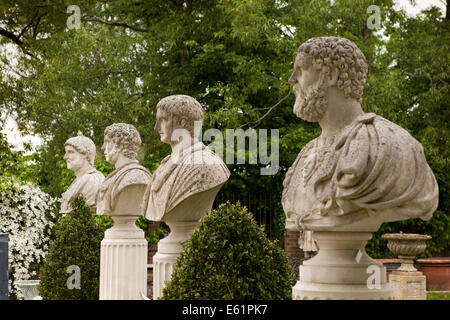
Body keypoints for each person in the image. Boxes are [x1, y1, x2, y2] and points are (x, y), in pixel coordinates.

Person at [282, 36, 439, 233]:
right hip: (322, 259)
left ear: (330, 75)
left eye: (301, 70)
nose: (292, 80)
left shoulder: (390, 143)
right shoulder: (306, 153)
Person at [142, 94, 230, 221]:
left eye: (163, 120)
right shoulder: (166, 163)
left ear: (182, 122)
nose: (156, 127)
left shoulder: (206, 163)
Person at [96, 123, 152, 215]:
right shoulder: (118, 175)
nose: (103, 147)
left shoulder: (137, 176)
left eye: (107, 142)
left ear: (120, 145)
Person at [61, 136, 105, 213]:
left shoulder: (93, 180)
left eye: (70, 152)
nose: (65, 157)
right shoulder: (78, 181)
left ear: (84, 154)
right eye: (66, 152)